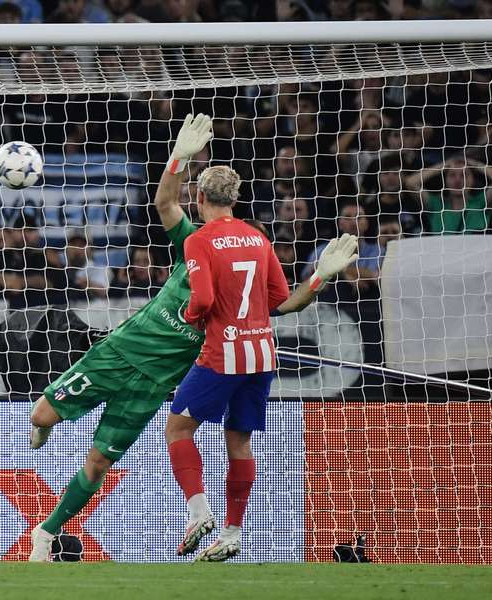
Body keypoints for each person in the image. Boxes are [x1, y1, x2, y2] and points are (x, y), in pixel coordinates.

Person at [27, 114, 358, 561]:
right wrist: (317, 278)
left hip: (155, 381)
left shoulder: (215, 243)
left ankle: (46, 533)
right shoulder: (204, 239)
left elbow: (205, 276)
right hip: (120, 352)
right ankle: (221, 524)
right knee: (42, 416)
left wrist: (181, 159)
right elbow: (166, 205)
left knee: (102, 461)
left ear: (201, 197)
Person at [165, 164, 358, 563]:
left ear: (199, 198)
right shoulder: (257, 237)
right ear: (234, 201)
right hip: (262, 355)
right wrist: (319, 276)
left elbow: (200, 300)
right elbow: (283, 302)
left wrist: (188, 318)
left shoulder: (199, 241)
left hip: (224, 353)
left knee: (178, 429)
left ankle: (198, 512)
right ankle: (232, 532)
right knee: (239, 440)